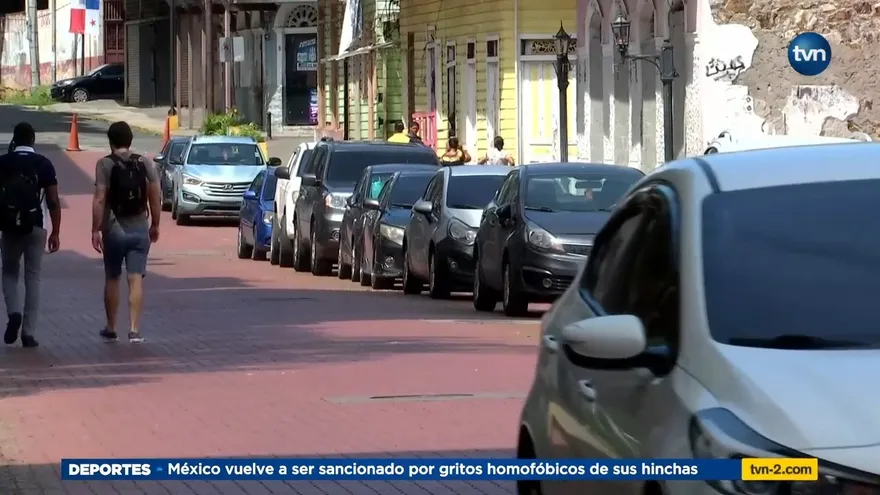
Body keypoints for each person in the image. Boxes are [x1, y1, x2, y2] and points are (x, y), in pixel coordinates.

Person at [91, 121, 161, 344]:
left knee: (112, 277)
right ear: (130, 140)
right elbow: (155, 196)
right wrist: (155, 224)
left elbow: (100, 198)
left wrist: (95, 229)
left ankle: (111, 328)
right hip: (139, 227)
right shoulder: (145, 163)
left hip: (113, 229)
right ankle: (134, 329)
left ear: (110, 141)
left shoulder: (105, 164)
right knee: (136, 277)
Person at [0, 122, 61, 348]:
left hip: (8, 226)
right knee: (33, 277)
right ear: (33, 140)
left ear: (14, 140)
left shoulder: (3, 162)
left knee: (9, 272)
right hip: (36, 224)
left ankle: (14, 312)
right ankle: (28, 332)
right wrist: (56, 232)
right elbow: (53, 201)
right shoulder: (43, 164)